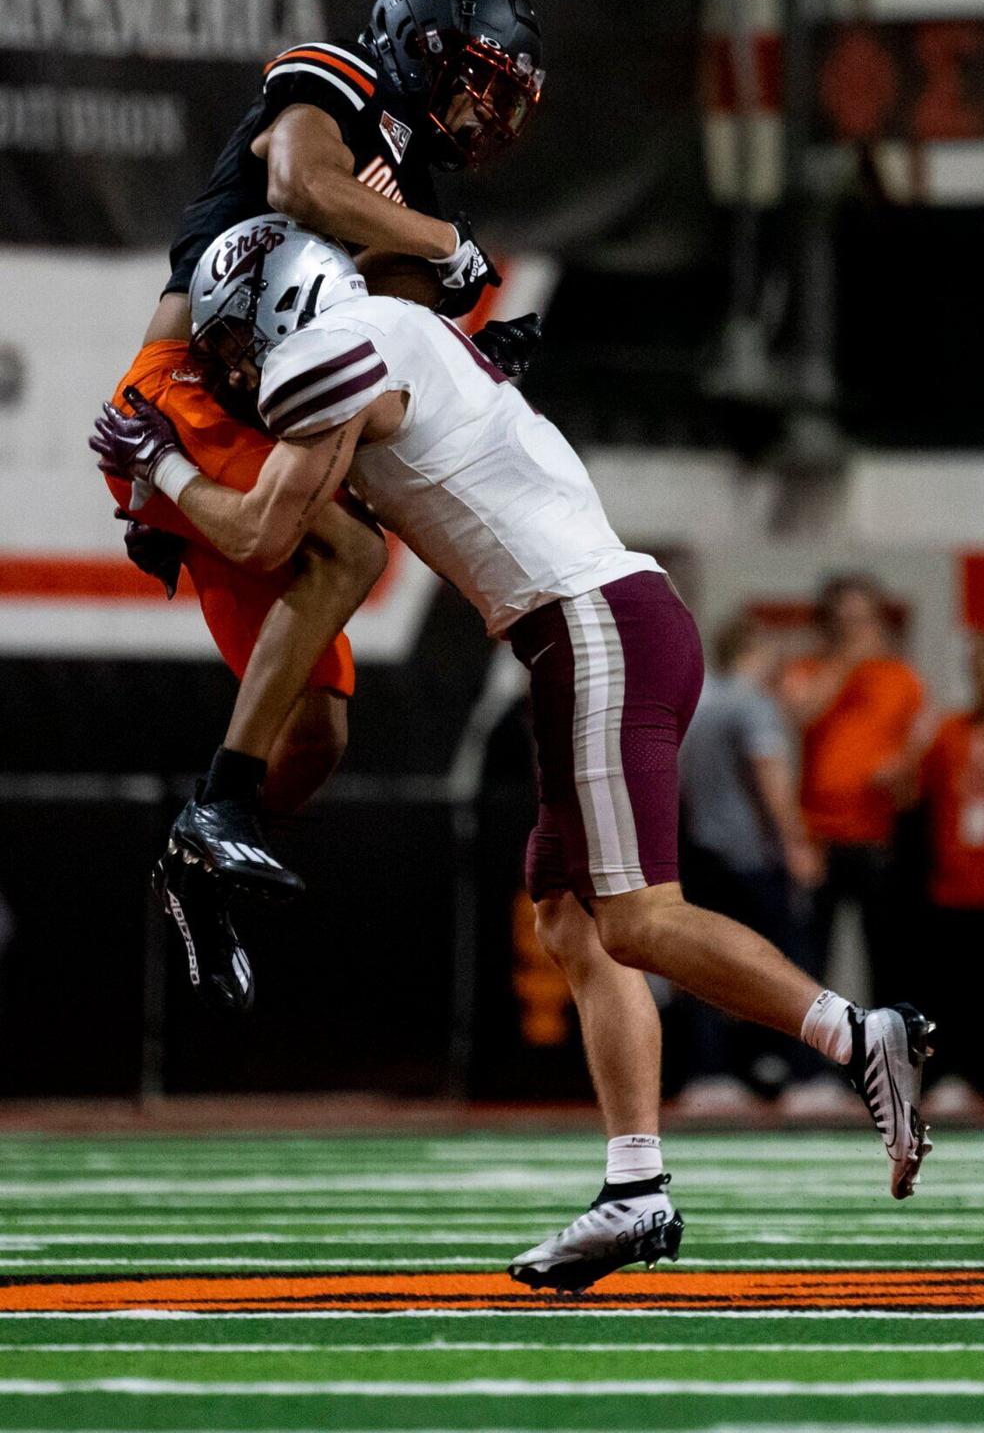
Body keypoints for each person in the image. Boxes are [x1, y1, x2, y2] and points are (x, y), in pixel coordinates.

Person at [91, 217, 935, 1294]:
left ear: (273, 314)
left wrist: (160, 465)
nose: (238, 371)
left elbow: (262, 535)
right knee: (570, 921)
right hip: (594, 624)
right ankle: (636, 1189)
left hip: (587, 623)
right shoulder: (402, 330)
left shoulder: (323, 350)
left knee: (635, 916)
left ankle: (861, 1037)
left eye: (233, 346)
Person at [100, 0, 546, 1008]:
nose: (488, 108)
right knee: (345, 551)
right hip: (187, 384)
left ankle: (201, 862)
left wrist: (474, 347)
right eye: (478, 76)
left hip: (267, 415)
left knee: (321, 734)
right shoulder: (335, 74)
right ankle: (216, 806)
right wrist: (444, 246)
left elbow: (378, 337)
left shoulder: (416, 185)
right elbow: (302, 185)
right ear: (423, 45)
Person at [674, 611, 823, 1113]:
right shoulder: (752, 704)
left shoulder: (699, 706)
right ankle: (803, 1072)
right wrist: (797, 844)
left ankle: (710, 1071)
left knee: (707, 964)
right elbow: (771, 782)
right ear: (755, 650)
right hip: (751, 855)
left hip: (701, 850)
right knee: (786, 963)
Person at [781, 575, 930, 1007]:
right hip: (819, 836)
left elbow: (921, 745)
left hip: (877, 836)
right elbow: (801, 713)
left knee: (887, 957)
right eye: (843, 621)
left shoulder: (901, 678)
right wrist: (845, 662)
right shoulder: (810, 670)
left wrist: (901, 768)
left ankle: (885, 1052)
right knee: (809, 959)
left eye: (862, 621)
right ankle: (808, 1062)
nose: (853, 630)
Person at [919, 632, 984, 1110]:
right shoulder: (948, 732)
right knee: (957, 991)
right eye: (976, 667)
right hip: (957, 884)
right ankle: (956, 1074)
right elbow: (920, 794)